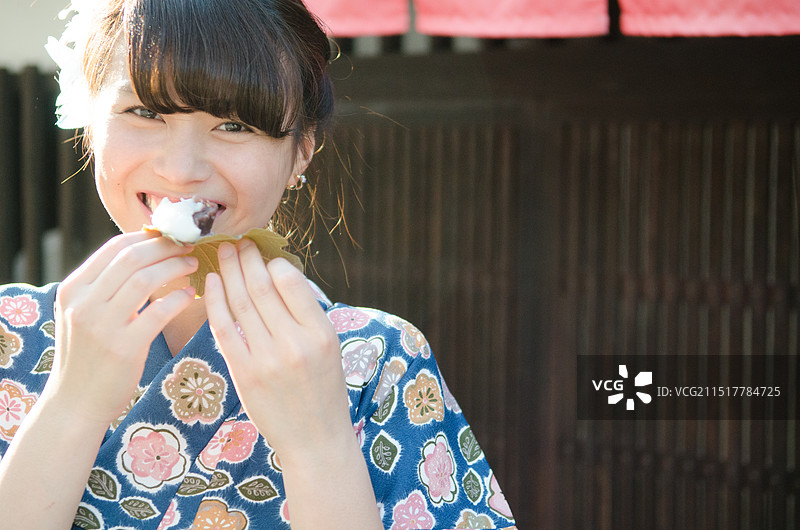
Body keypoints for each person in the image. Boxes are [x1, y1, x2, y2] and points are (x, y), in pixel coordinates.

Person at [0, 1, 517, 528]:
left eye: (234, 124)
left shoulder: (375, 359)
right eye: (146, 113)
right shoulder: (9, 333)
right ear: (91, 122)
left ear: (301, 153)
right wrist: (71, 405)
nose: (182, 170)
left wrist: (319, 446)